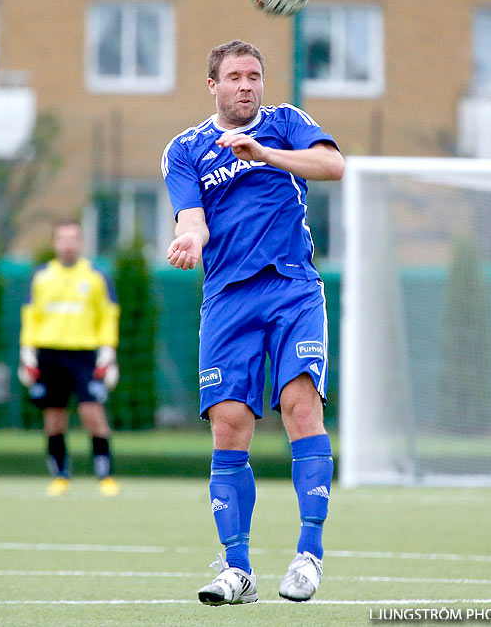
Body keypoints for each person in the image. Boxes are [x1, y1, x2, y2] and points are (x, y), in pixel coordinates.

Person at [162, 39, 344, 605]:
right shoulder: (186, 149)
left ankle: (308, 557)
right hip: (228, 298)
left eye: (255, 75)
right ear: (212, 85)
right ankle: (237, 570)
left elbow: (333, 165)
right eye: (235, 76)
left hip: (292, 286)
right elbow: (192, 217)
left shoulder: (286, 122)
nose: (247, 85)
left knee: (299, 404)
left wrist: (265, 153)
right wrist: (188, 238)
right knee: (229, 425)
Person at [18, 218, 120, 497]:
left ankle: (105, 475)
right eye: (62, 238)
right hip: (49, 354)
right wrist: (27, 354)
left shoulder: (96, 277)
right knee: (53, 418)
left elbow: (108, 316)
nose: (68, 244)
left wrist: (108, 354)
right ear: (55, 243)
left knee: (92, 413)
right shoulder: (41, 278)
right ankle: (61, 475)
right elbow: (31, 317)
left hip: (85, 355)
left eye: (74, 238)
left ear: (81, 242)